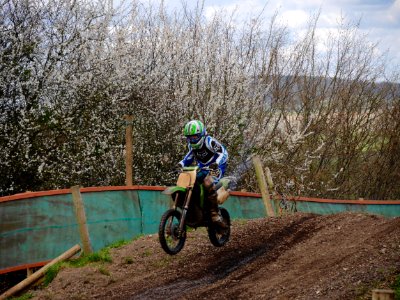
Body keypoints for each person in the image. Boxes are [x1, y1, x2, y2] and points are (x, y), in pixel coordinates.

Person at [177, 120, 228, 225]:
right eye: (189, 137)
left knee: (208, 183)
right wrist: (180, 165)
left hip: (216, 168)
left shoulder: (210, 141)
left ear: (201, 134)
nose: (192, 139)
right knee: (190, 182)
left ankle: (215, 213)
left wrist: (217, 163)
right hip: (202, 169)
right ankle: (197, 208)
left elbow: (223, 153)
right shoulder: (191, 146)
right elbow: (189, 157)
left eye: (195, 137)